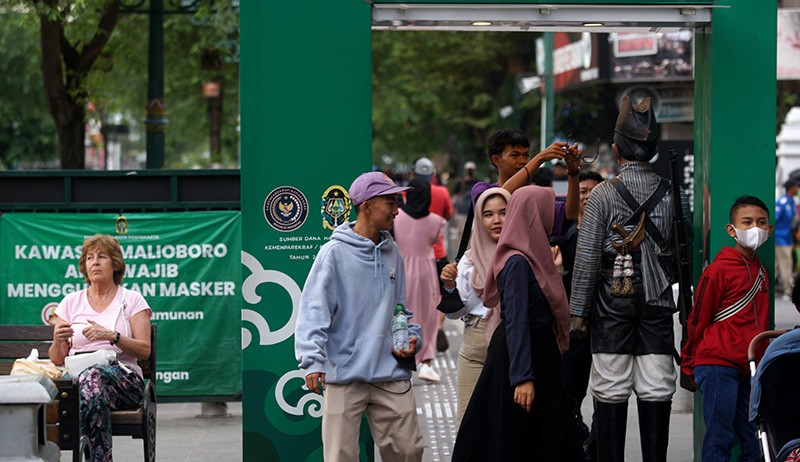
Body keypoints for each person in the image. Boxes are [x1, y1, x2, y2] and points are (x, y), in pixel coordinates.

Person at [570, 96, 677, 462]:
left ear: (616, 151)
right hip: (658, 301)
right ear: (654, 149)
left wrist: (578, 313)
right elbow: (681, 253)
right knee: (657, 384)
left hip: (610, 300)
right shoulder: (671, 193)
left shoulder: (601, 194)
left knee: (611, 385)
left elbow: (586, 260)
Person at [295, 171, 425, 461]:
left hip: (389, 369)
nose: (396, 210)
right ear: (366, 205)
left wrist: (411, 336)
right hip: (344, 373)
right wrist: (312, 361)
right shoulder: (333, 253)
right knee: (339, 456)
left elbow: (400, 309)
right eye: (390, 202)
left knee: (409, 450)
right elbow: (314, 310)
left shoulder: (393, 252)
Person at [452, 186, 581, 461]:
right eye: (547, 208)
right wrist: (522, 377)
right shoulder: (517, 262)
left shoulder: (534, 256)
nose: (552, 214)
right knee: (517, 438)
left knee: (541, 437)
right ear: (533, 213)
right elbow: (516, 319)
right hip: (523, 355)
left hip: (538, 353)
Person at [680, 196, 772, 462]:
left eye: (761, 222)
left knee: (754, 440)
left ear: (769, 229)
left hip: (749, 368)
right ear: (731, 230)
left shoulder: (761, 271)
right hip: (718, 363)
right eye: (747, 222)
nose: (755, 228)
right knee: (719, 438)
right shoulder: (719, 270)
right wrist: (689, 363)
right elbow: (698, 318)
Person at [48, 234, 153, 462]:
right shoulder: (70, 302)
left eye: (102, 257)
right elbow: (57, 359)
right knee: (89, 388)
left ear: (115, 264)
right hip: (80, 380)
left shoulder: (132, 299)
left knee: (91, 378)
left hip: (123, 380)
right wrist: (57, 340)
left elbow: (145, 350)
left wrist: (112, 336)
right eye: (89, 258)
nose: (95, 262)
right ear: (84, 266)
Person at [439, 187, 511, 428]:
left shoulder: (522, 255)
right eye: (488, 214)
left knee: (504, 423)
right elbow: (455, 313)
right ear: (479, 220)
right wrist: (449, 286)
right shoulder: (468, 260)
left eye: (503, 212)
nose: (496, 220)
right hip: (474, 344)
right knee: (468, 423)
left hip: (510, 344)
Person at [550, 170, 604, 454]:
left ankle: (597, 443)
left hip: (607, 323)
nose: (587, 196)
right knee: (571, 389)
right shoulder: (561, 240)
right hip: (573, 327)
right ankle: (576, 438)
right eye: (582, 191)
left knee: (607, 391)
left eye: (594, 190)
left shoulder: (613, 238)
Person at [472, 128, 581, 236]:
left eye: (526, 155)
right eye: (515, 155)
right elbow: (499, 198)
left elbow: (571, 214)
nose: (523, 161)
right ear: (496, 160)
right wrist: (539, 158)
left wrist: (573, 172)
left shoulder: (536, 197)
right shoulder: (481, 190)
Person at [394, 176, 446, 382]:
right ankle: (426, 362)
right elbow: (435, 243)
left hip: (402, 270)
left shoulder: (396, 217)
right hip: (426, 272)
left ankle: (402, 355)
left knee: (402, 314)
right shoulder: (436, 221)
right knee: (429, 316)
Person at [412, 157, 455, 353]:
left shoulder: (407, 193)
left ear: (413, 173)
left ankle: (420, 329)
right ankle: (438, 325)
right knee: (442, 293)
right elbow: (448, 214)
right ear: (433, 175)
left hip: (416, 254)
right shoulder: (442, 192)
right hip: (438, 253)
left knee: (418, 295)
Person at [775, 179, 798, 301]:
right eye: (796, 187)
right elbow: (775, 218)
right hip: (780, 238)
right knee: (786, 263)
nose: (798, 189)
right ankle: (788, 290)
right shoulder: (782, 202)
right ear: (791, 188)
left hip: (788, 238)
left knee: (778, 264)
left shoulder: (791, 202)